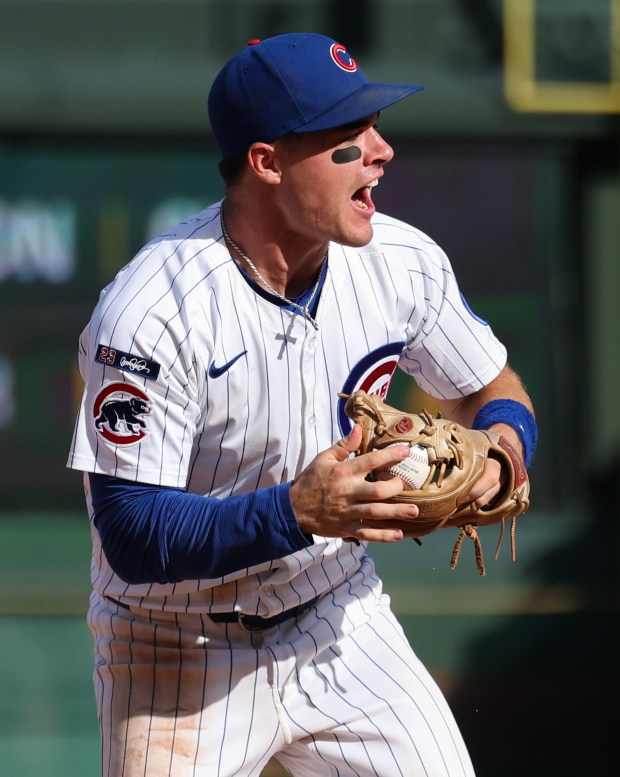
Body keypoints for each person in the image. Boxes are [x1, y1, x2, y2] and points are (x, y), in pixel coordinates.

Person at [67, 32, 537, 777]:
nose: (380, 151)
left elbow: (493, 388)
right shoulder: (154, 310)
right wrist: (295, 510)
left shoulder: (402, 261)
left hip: (337, 617)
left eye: (375, 128)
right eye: (347, 139)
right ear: (267, 162)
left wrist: (505, 451)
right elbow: (129, 530)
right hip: (176, 647)